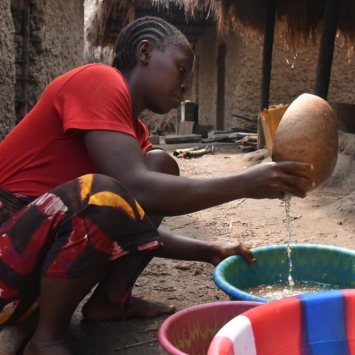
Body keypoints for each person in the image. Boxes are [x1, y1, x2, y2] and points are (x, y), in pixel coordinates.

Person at [0, 17, 312, 355]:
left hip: (27, 277)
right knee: (108, 192)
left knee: (160, 165)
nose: (185, 87)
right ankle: (47, 340)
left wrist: (208, 250)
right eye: (181, 68)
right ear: (145, 52)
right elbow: (131, 191)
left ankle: (110, 301)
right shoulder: (98, 79)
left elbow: (123, 221)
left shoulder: (135, 135)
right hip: (7, 263)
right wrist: (243, 183)